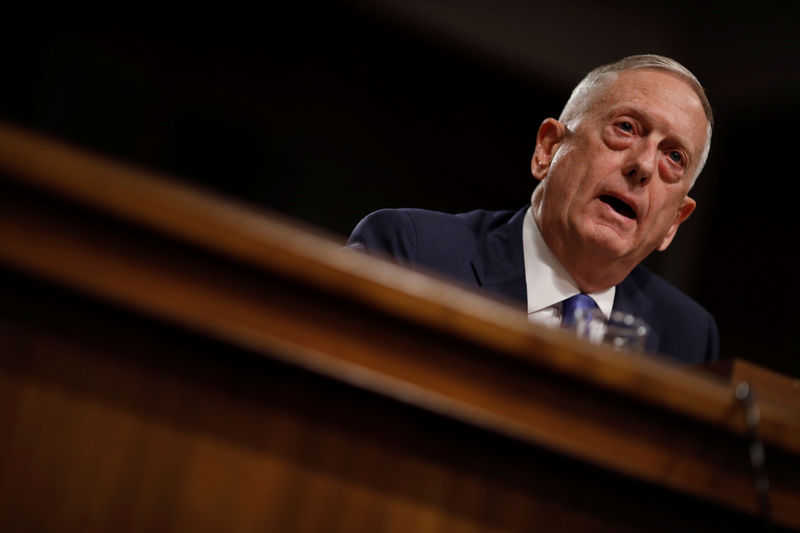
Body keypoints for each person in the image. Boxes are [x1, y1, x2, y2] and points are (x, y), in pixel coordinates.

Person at [346, 54, 718, 364]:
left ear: (674, 221)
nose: (645, 166)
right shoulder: (414, 254)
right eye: (625, 128)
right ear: (548, 150)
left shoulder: (687, 338)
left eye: (673, 156)